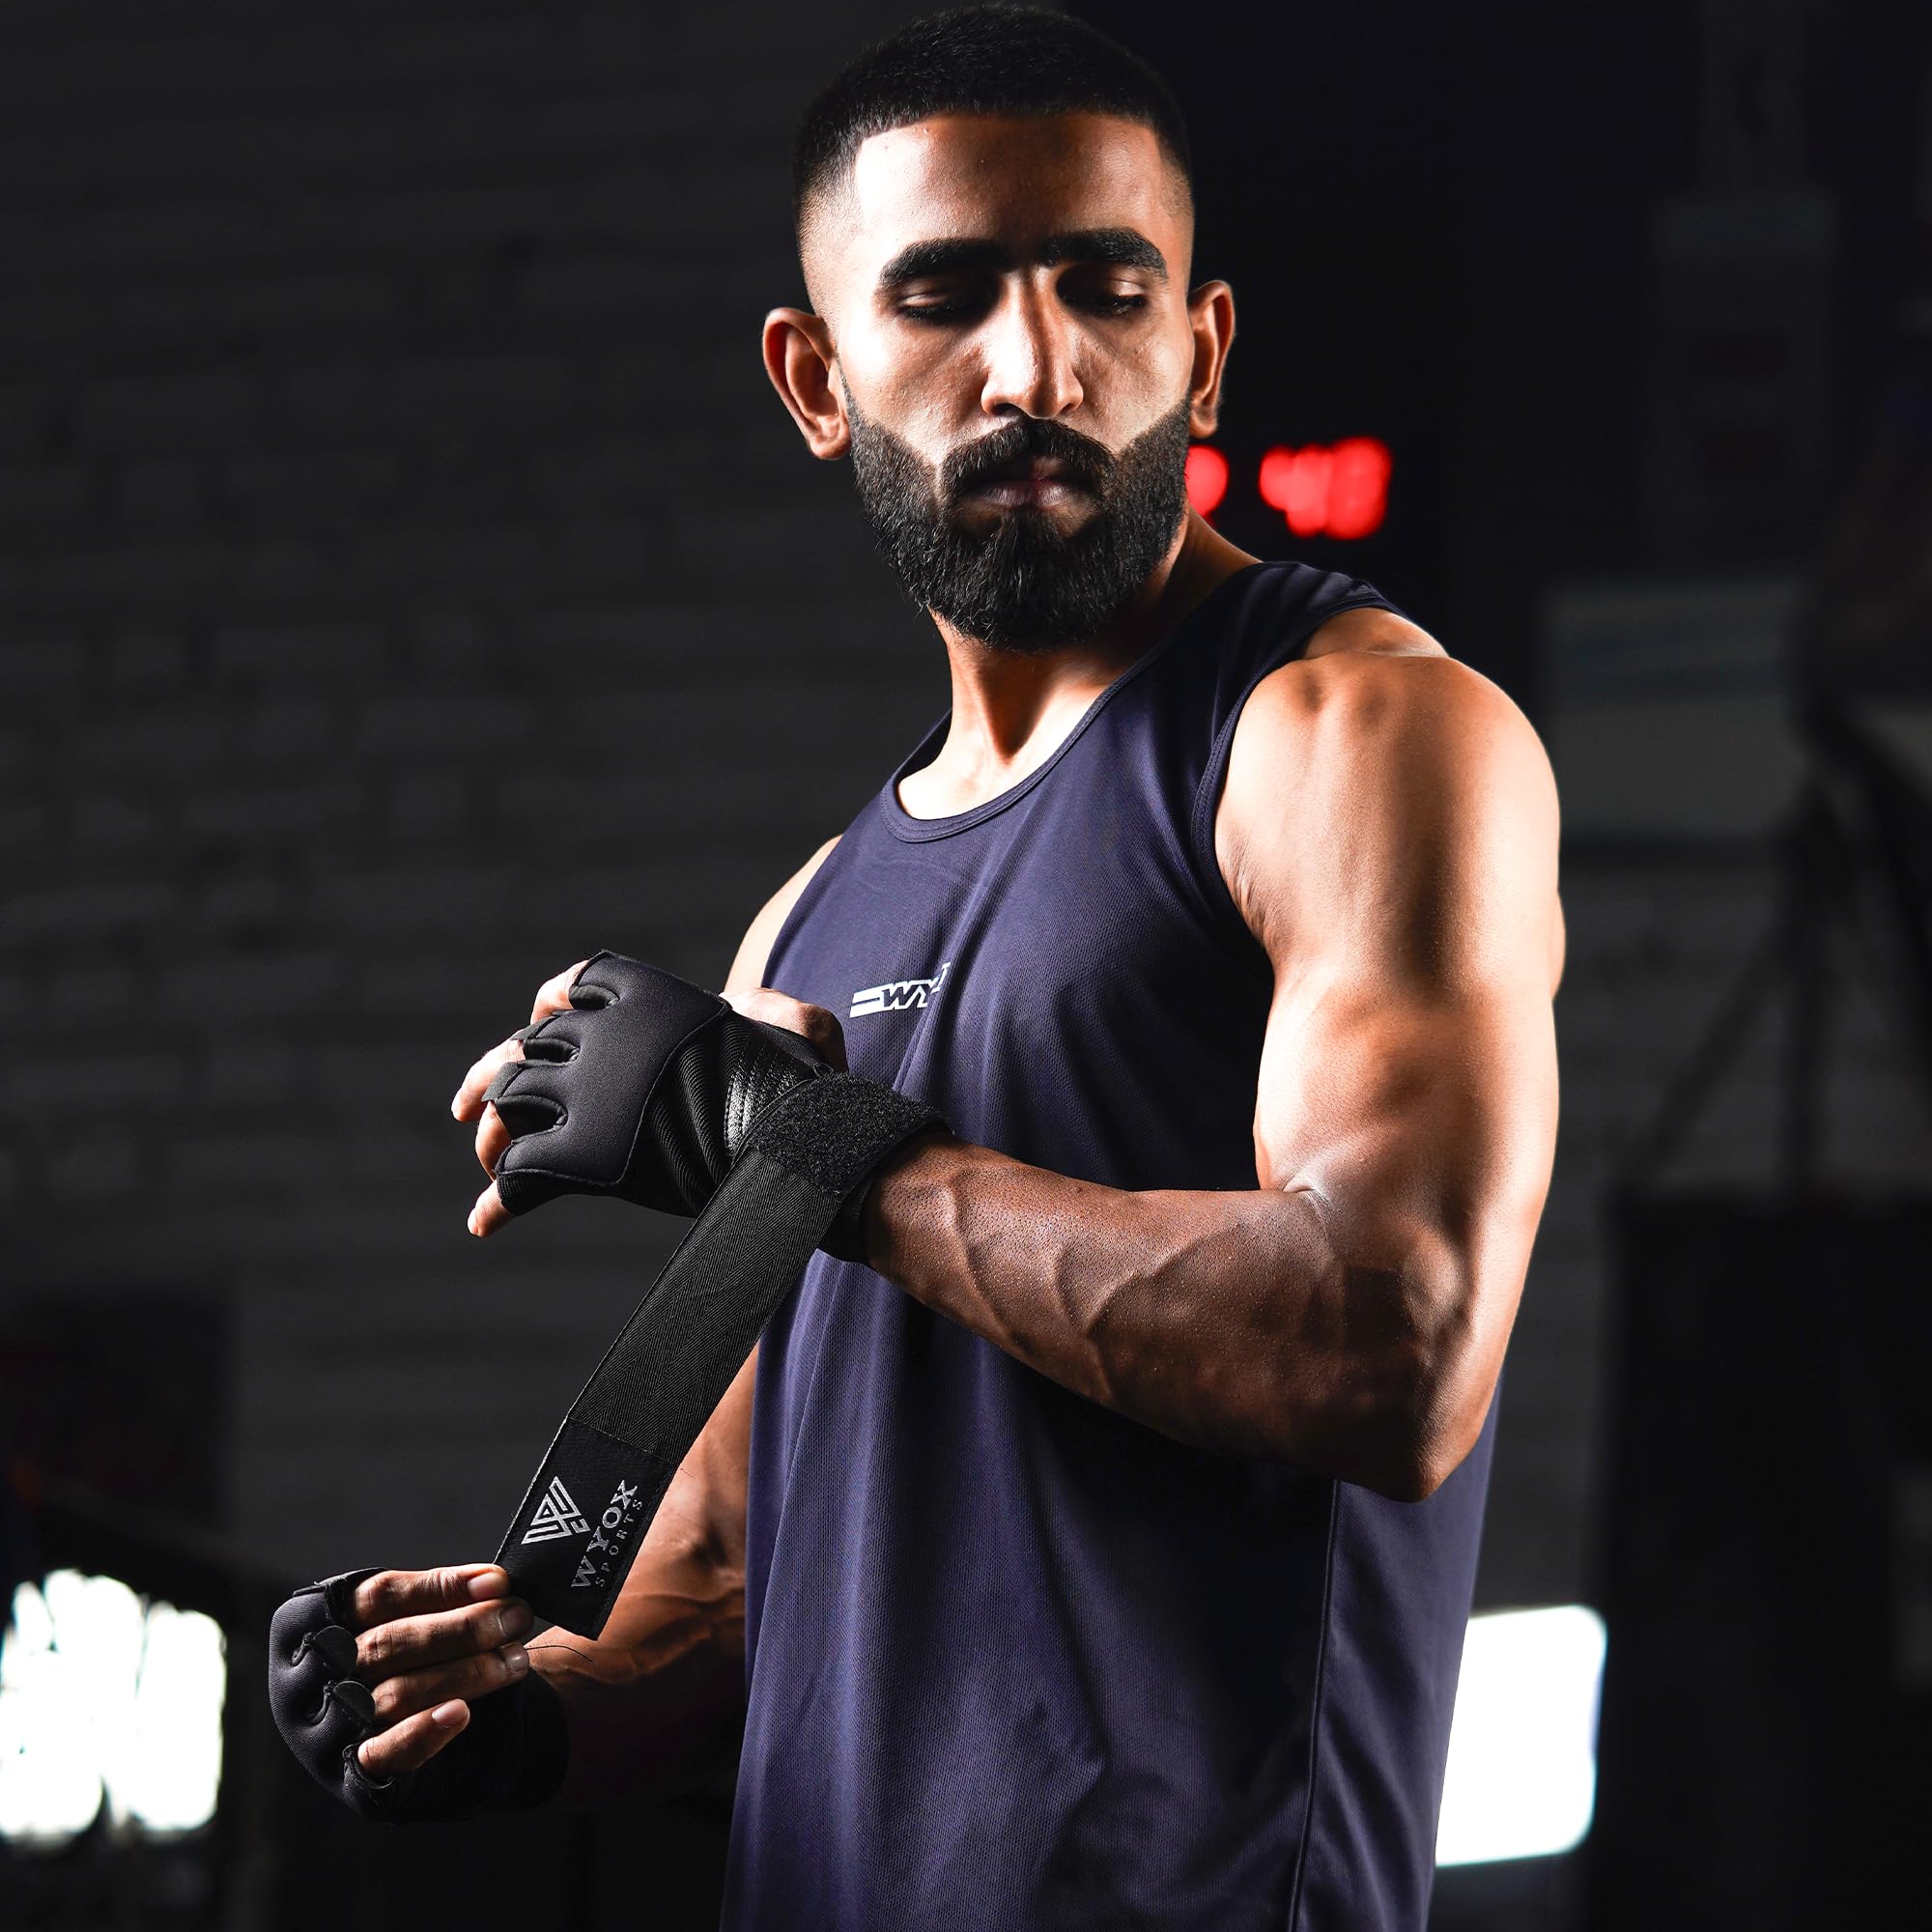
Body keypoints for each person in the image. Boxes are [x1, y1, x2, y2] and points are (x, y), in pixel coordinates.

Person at [281, 9, 1561, 1926]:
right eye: (944, 295)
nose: (1035, 367)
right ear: (816, 377)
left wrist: (817, 1154)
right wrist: (511, 1708)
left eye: (1107, 290)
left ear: (1205, 352)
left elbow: (1394, 1344)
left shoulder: (1352, 734)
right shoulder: (811, 919)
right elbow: (728, 1565)